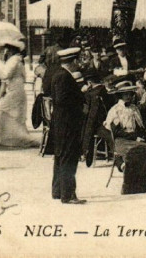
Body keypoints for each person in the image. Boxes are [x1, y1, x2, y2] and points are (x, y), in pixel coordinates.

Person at [50, 47, 87, 204]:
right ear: (73, 61)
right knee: (69, 158)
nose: (78, 64)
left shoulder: (59, 75)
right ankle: (68, 195)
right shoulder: (64, 77)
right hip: (67, 123)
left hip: (61, 123)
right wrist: (80, 102)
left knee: (61, 156)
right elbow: (62, 100)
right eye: (77, 60)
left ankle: (58, 190)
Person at [0, 39, 35, 147]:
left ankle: (14, 138)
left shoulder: (14, 60)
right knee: (14, 114)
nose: (5, 50)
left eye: (7, 48)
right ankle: (12, 138)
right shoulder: (17, 60)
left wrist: (0, 63)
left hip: (15, 89)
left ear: (12, 49)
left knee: (3, 111)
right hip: (16, 88)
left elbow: (4, 75)